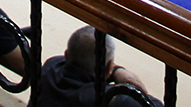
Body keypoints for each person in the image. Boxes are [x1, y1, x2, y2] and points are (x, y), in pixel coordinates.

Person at [32, 26, 167, 107]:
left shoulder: (51, 66)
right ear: (108, 67)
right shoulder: (113, 100)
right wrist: (118, 72)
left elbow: (71, 59)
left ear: (67, 54)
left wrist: (116, 70)